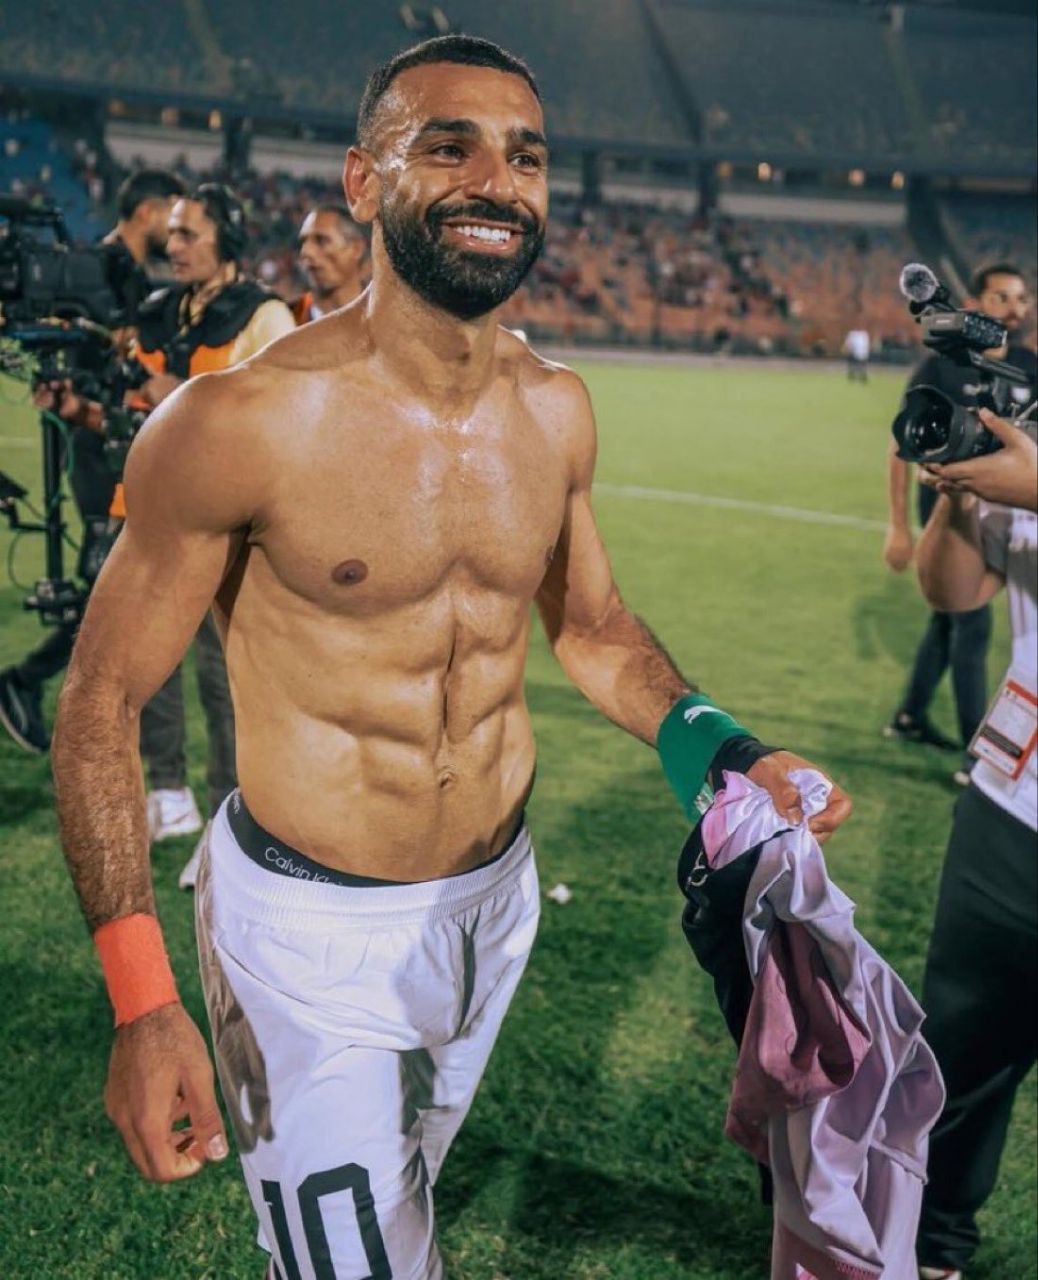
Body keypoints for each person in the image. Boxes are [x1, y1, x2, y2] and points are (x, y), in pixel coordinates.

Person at [51, 36, 851, 1280]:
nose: (496, 180)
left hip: (494, 906)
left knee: (405, 1187)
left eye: (525, 156)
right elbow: (101, 701)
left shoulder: (555, 407)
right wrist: (143, 998)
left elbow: (594, 630)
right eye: (449, 145)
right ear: (364, 181)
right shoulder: (237, 422)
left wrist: (730, 754)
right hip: (304, 939)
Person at [129, 182, 296, 864]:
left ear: (225, 238)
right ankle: (168, 793)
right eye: (171, 233)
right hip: (149, 516)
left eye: (188, 233)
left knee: (221, 674)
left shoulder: (264, 315)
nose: (173, 246)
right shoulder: (159, 310)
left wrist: (185, 400)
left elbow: (282, 418)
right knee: (150, 663)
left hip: (227, 523)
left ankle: (231, 813)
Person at [0, 167, 185, 755]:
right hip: (96, 439)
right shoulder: (97, 269)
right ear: (148, 211)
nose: (176, 230)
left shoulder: (121, 273)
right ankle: (27, 681)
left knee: (118, 581)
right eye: (172, 214)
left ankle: (44, 687)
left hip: (118, 437)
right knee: (111, 582)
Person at [912, 412, 1037, 1280]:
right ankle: (932, 1242)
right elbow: (953, 593)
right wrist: (957, 501)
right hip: (1010, 807)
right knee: (959, 1058)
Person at [882, 263, 1036, 783]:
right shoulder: (942, 365)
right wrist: (899, 527)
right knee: (970, 623)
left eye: (1021, 298)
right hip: (951, 513)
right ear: (975, 302)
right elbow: (900, 444)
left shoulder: (1028, 364)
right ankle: (976, 754)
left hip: (1014, 511)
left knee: (946, 622)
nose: (1014, 309)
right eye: (1001, 297)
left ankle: (909, 714)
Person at [293, 201, 367, 323]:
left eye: (321, 240)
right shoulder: (284, 323)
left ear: (356, 249)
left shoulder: (390, 317)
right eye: (303, 242)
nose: (306, 252)